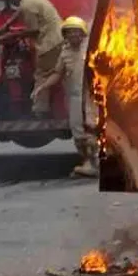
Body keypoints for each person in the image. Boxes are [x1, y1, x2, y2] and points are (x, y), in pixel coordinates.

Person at [31, 16, 96, 177]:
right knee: (78, 132)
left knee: (92, 129)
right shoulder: (65, 53)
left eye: (76, 32)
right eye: (69, 32)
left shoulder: (91, 48)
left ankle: (95, 163)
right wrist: (42, 87)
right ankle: (88, 163)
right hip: (74, 98)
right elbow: (57, 74)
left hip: (91, 97)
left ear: (83, 33)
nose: (73, 35)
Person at [0, 0, 63, 119]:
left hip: (50, 43)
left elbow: (34, 30)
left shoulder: (27, 6)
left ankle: (40, 111)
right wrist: (5, 26)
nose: (12, 4)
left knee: (42, 74)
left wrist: (12, 35)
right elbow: (20, 11)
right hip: (59, 36)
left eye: (11, 0)